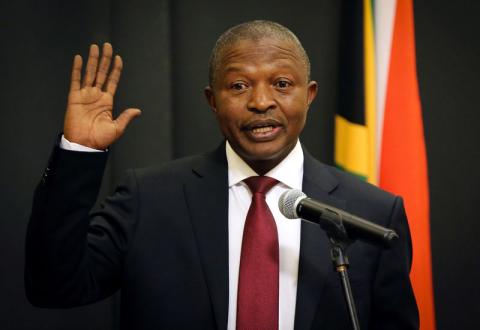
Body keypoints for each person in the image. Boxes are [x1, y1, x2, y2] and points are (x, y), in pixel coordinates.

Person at [26, 20, 419, 329]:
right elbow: (54, 286)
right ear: (212, 100)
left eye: (281, 84)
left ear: (309, 94)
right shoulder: (150, 198)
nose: (261, 102)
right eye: (238, 85)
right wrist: (79, 152)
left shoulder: (373, 215)